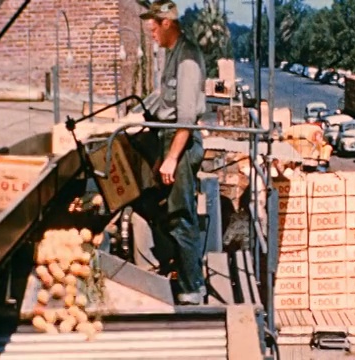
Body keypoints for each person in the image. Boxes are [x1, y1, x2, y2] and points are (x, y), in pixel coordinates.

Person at [139, 0, 207, 305]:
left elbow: (186, 119)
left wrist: (171, 157)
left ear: (167, 23)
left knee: (181, 214)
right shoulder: (172, 55)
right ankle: (178, 267)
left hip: (179, 143)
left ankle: (192, 289)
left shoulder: (187, 59)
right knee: (160, 206)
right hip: (168, 140)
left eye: (154, 26)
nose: (151, 32)